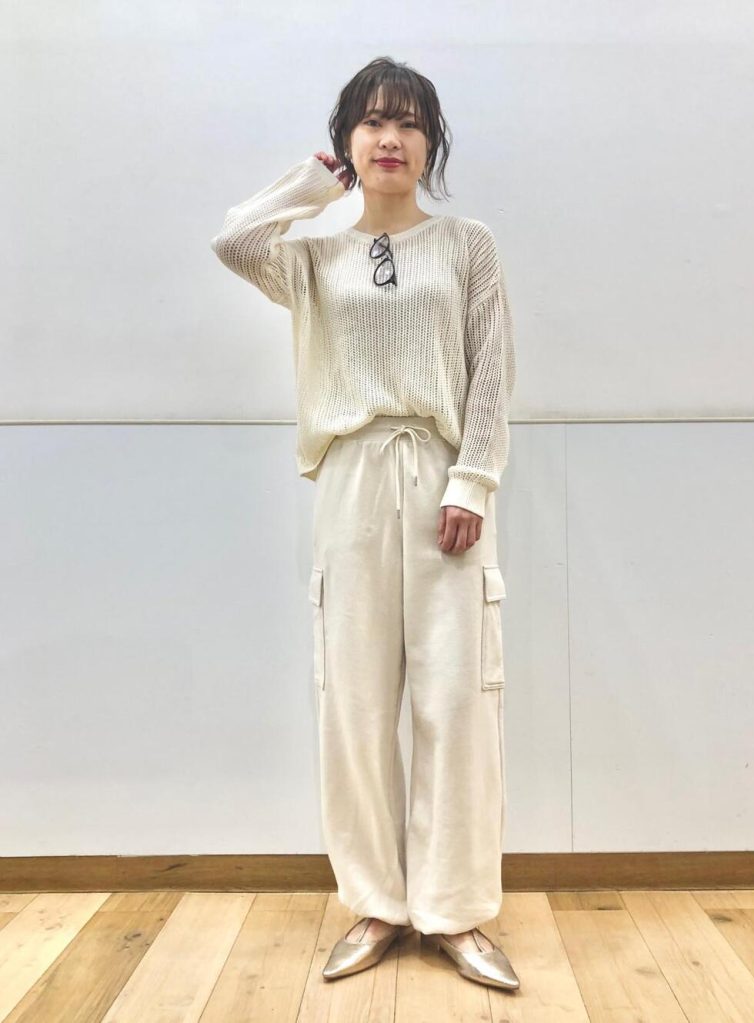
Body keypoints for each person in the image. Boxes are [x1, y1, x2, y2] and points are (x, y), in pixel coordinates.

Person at [210, 56, 520, 993]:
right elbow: (234, 240)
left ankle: (455, 909)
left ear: (433, 143)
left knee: (456, 698)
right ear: (348, 139)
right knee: (352, 697)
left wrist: (473, 481)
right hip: (350, 480)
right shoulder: (314, 258)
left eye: (410, 122)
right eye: (373, 121)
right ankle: (377, 902)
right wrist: (316, 186)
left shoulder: (467, 244)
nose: (392, 137)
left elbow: (493, 369)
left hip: (444, 481)